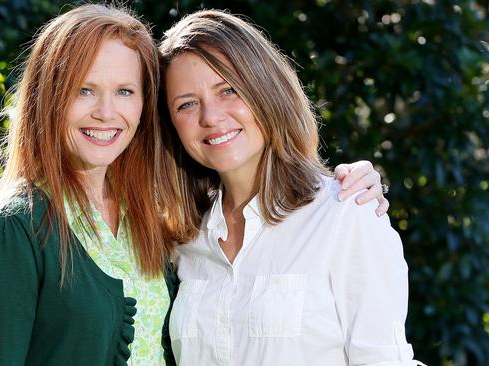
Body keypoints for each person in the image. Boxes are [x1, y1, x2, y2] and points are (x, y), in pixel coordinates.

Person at [0, 4, 389, 366]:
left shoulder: (154, 223)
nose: (107, 112)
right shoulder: (15, 230)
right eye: (84, 90)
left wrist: (345, 188)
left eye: (125, 91)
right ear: (48, 98)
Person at [158, 10, 421, 365]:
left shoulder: (345, 214)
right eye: (186, 104)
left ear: (265, 89)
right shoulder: (183, 237)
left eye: (229, 90)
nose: (210, 116)